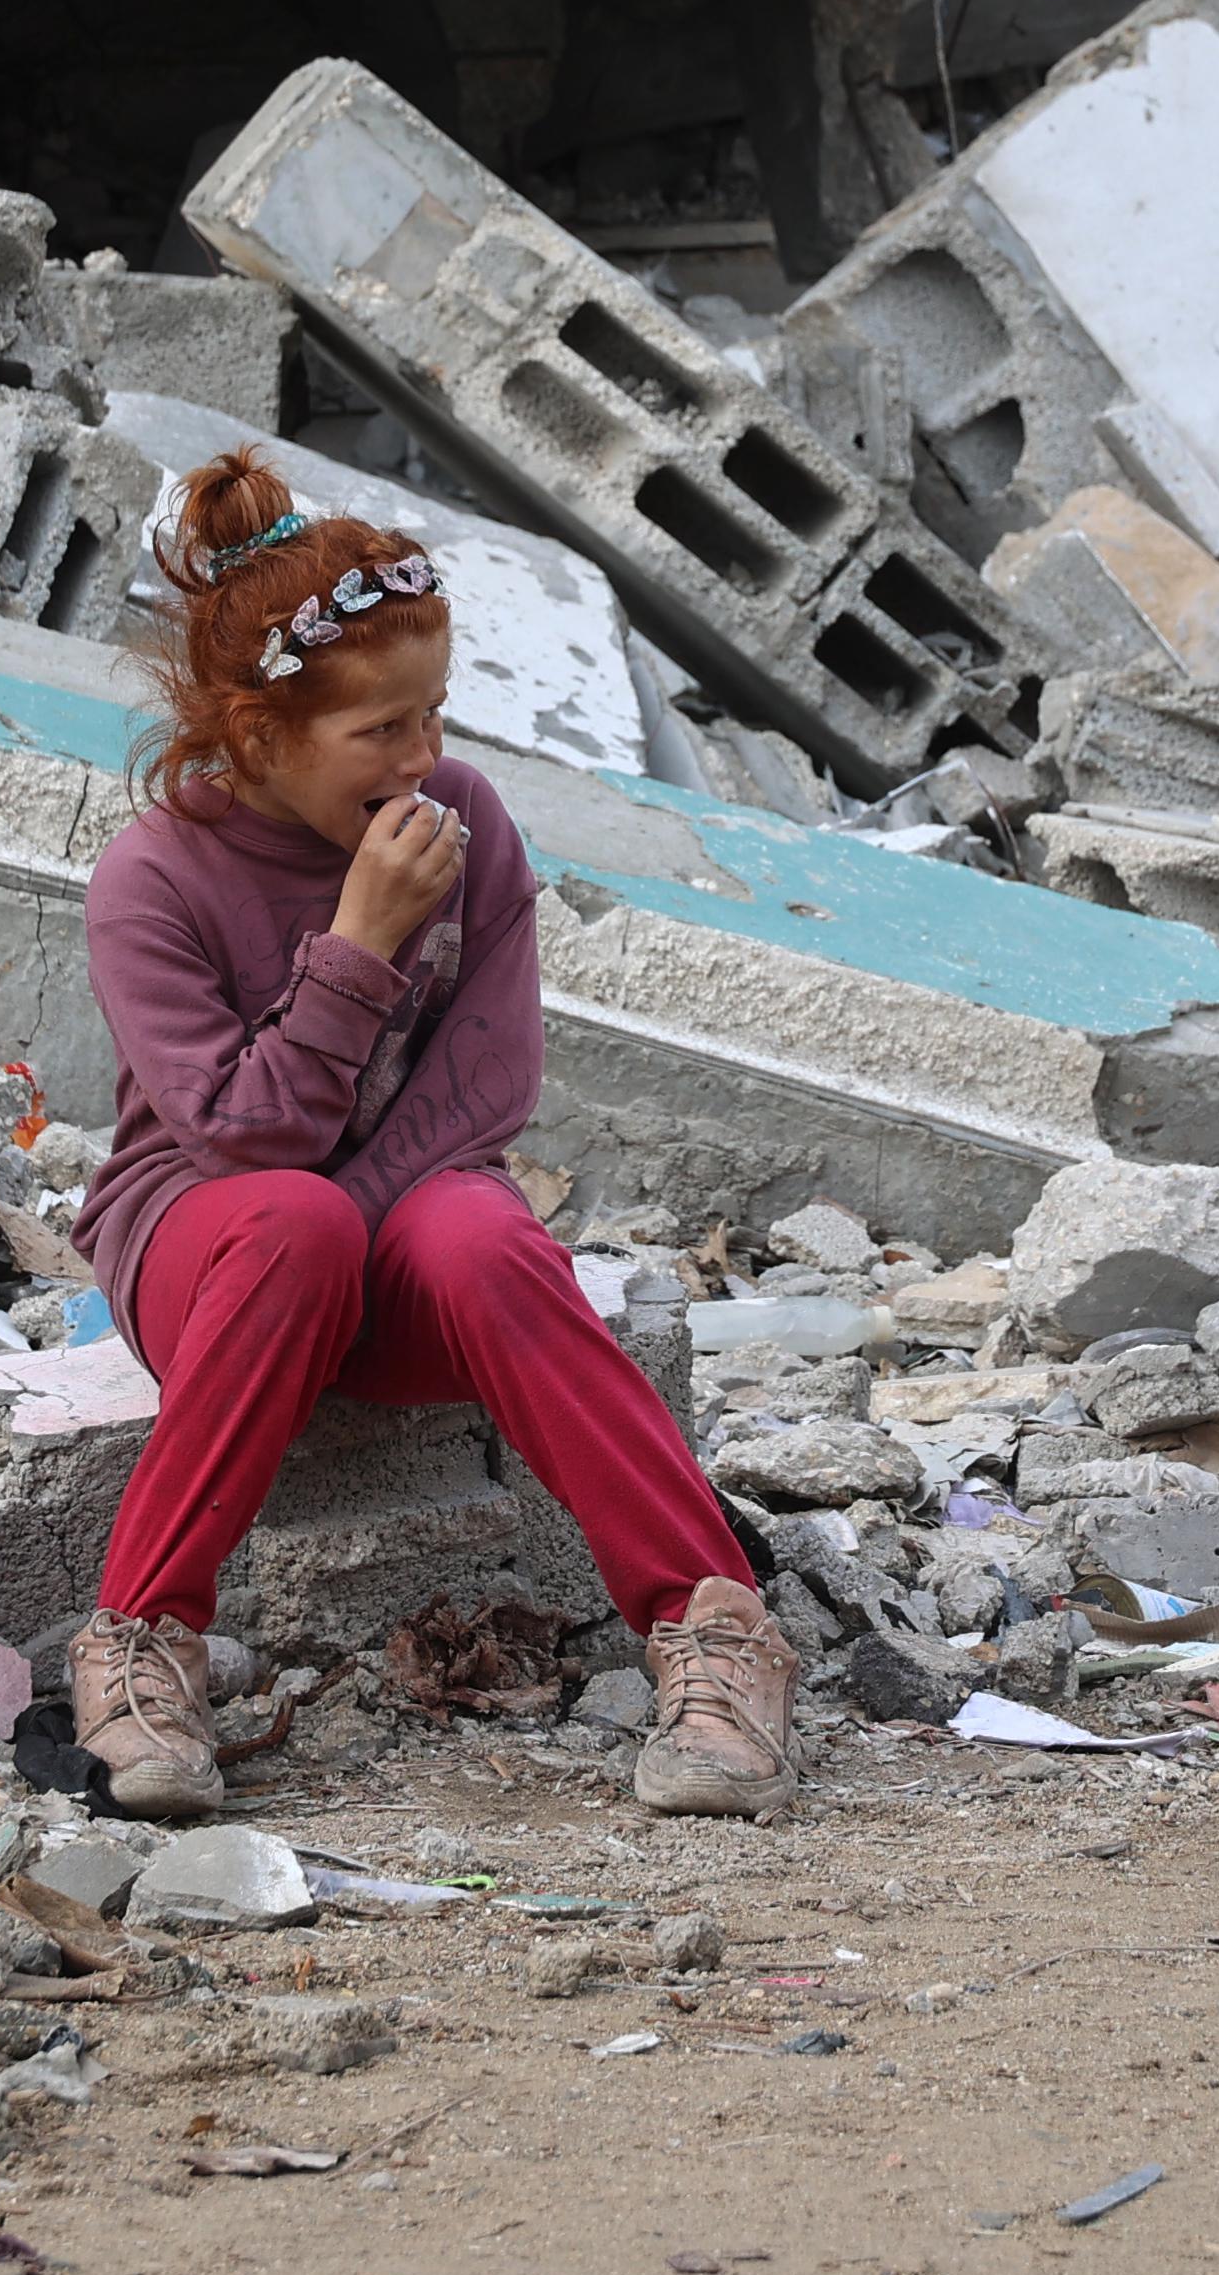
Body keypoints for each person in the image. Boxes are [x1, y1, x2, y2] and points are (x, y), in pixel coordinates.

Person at [61, 446, 800, 1821]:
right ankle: (141, 1638)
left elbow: (485, 1093)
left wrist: (375, 1230)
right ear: (257, 732)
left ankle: (713, 1630)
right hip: (211, 1245)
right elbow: (236, 1135)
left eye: (433, 717)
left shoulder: (466, 822)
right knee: (296, 1215)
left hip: (384, 1239)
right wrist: (358, 942)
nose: (423, 761)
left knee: (480, 1230)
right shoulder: (151, 878)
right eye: (380, 732)